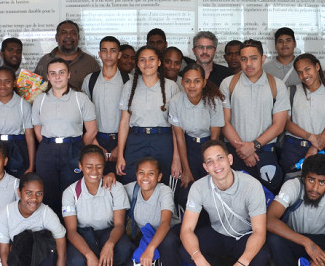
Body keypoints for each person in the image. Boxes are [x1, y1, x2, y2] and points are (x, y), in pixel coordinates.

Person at [180, 140, 272, 266]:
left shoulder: (251, 185)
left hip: (244, 236)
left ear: (230, 159)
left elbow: (259, 232)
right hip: (218, 234)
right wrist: (200, 261)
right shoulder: (199, 187)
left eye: (220, 158)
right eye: (210, 161)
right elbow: (186, 230)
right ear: (206, 168)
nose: (216, 165)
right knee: (186, 251)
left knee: (261, 257)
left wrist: (243, 264)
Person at [266, 154, 325, 266]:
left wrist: (321, 261)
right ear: (304, 177)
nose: (315, 188)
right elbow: (270, 220)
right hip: (296, 239)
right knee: (274, 240)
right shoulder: (292, 185)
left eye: (322, 182)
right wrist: (307, 243)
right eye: (311, 180)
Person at [220, 39, 290, 193]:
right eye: (244, 59)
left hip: (265, 151)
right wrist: (243, 150)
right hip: (235, 152)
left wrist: (253, 146)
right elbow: (224, 122)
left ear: (263, 59)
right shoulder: (228, 83)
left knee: (267, 198)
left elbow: (279, 125)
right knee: (235, 197)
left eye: (254, 58)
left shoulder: (277, 85)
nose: (248, 64)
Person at [32, 57, 97, 213]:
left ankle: (73, 232)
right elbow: (37, 129)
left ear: (68, 75)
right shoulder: (40, 100)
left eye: (61, 72)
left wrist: (78, 147)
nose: (57, 77)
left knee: (72, 191)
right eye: (53, 73)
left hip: (73, 149)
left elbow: (92, 130)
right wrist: (50, 144)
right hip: (47, 150)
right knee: (48, 192)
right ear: (48, 76)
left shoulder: (80, 98)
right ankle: (52, 233)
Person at [62, 145, 132, 266]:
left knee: (125, 249)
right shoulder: (70, 192)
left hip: (109, 232)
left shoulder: (115, 188)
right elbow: (71, 231)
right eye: (89, 166)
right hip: (84, 234)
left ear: (104, 166)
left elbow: (119, 225)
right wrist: (88, 254)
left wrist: (110, 244)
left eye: (99, 167)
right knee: (75, 260)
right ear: (80, 166)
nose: (94, 171)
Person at [0, 173, 67, 266]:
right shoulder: (6, 213)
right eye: (28, 193)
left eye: (39, 194)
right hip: (20, 262)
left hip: (42, 260)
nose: (34, 199)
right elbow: (4, 251)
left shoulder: (47, 214)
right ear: (19, 192)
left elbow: (62, 253)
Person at [116, 46, 181, 185]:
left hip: (163, 141)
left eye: (152, 59)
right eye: (142, 60)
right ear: (138, 64)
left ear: (159, 62)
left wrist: (177, 157)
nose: (147, 63)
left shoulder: (171, 87)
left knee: (163, 183)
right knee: (131, 182)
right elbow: (124, 122)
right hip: (136, 141)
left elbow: (177, 126)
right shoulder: (129, 86)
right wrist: (120, 154)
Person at [124, 156, 186, 266]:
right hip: (146, 233)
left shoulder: (164, 191)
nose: (145, 177)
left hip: (169, 231)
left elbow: (165, 223)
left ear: (159, 177)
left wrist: (151, 248)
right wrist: (110, 176)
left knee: (168, 241)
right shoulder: (132, 188)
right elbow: (112, 188)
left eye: (151, 173)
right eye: (141, 173)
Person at [280, 53, 325, 176]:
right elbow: (286, 122)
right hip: (293, 149)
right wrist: (310, 137)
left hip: (320, 150)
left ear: (317, 67)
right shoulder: (292, 91)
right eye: (299, 72)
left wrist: (315, 146)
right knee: (292, 186)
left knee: (318, 187)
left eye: (307, 69)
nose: (304, 75)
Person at [170, 64, 224, 191]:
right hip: (188, 147)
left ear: (204, 82)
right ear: (182, 82)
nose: (192, 85)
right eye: (187, 81)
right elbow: (180, 137)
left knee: (210, 187)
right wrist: (186, 170)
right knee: (186, 188)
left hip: (209, 146)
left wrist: (211, 164)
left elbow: (215, 137)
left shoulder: (214, 101)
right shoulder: (175, 102)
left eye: (197, 81)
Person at [81, 36, 130, 175]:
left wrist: (120, 148)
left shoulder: (128, 81)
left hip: (122, 139)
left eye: (113, 51)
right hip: (96, 139)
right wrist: (94, 144)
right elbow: (83, 115)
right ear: (99, 54)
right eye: (104, 50)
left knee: (120, 183)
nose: (108, 55)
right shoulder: (90, 80)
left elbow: (132, 117)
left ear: (119, 54)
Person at [0, 66, 35, 178]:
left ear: (14, 83)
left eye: (7, 82)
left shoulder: (23, 105)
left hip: (17, 149)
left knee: (17, 184)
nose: (2, 86)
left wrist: (31, 166)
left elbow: (30, 137)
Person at [34, 20, 100, 90]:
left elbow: (97, 92)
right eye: (64, 32)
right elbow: (34, 90)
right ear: (56, 37)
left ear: (78, 37)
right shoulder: (44, 61)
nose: (68, 36)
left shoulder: (90, 62)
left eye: (73, 33)